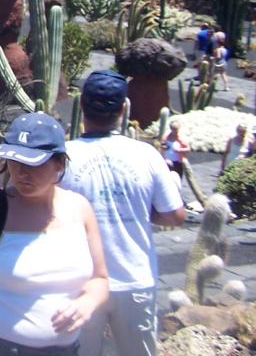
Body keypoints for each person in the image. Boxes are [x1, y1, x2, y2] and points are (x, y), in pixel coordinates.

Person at [0, 112, 109, 356]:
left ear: (59, 163)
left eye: (34, 164)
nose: (22, 173)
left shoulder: (80, 209)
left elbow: (100, 279)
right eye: (15, 162)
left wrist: (88, 302)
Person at [64, 70, 185, 356]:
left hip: (80, 282)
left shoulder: (65, 157)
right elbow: (175, 215)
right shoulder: (147, 155)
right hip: (135, 277)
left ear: (81, 105)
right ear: (122, 109)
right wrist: (139, 211)